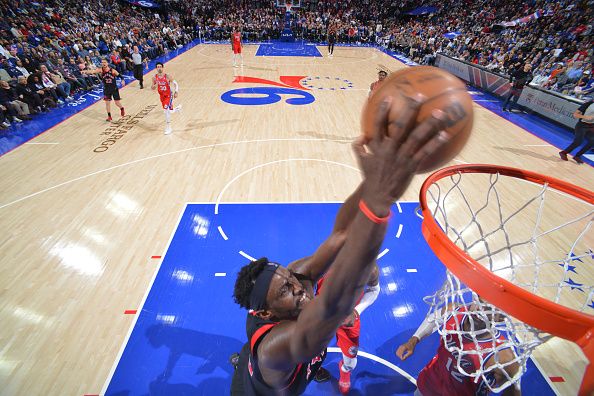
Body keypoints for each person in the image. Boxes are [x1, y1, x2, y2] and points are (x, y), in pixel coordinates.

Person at [230, 94, 449, 395]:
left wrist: (373, 180)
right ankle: (246, 364)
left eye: (289, 278)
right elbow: (337, 302)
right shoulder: (276, 346)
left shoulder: (297, 280)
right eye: (284, 290)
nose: (296, 286)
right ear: (267, 314)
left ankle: (248, 360)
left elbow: (342, 234)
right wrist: (381, 200)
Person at [396, 301, 521, 396]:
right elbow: (434, 318)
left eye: (489, 309)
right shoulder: (454, 311)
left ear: (501, 318)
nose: (479, 309)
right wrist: (413, 340)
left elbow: (511, 392)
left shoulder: (503, 358)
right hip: (428, 384)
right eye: (479, 301)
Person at [316, 263, 380, 394]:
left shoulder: (370, 269)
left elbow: (374, 289)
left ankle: (345, 371)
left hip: (349, 320)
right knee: (312, 349)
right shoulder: (326, 259)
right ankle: (315, 368)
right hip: (320, 315)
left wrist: (356, 312)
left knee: (350, 358)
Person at [559, 99, 594, 164]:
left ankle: (577, 156)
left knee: (592, 141)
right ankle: (564, 152)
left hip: (591, 127)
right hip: (582, 125)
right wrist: (585, 117)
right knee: (578, 142)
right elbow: (575, 114)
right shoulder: (588, 104)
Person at [151, 61, 181, 135]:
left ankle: (169, 128)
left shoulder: (167, 76)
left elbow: (175, 83)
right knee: (169, 111)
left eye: (160, 67)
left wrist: (176, 91)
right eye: (158, 67)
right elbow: (153, 87)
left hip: (168, 95)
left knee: (166, 110)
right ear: (156, 68)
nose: (159, 68)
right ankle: (177, 109)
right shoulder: (154, 77)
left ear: (162, 67)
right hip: (162, 96)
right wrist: (154, 86)